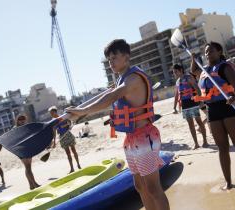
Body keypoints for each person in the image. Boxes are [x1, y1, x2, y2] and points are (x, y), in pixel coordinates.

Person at [65, 39, 169, 210]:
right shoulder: (122, 79)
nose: (110, 62)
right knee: (140, 186)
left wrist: (82, 112)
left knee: (153, 187)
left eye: (114, 58)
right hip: (132, 139)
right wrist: (79, 109)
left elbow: (110, 98)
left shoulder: (133, 79)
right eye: (108, 60)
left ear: (126, 57)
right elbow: (105, 97)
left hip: (144, 136)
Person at [191, 41, 235, 190]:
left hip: (229, 107)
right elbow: (194, 70)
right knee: (222, 147)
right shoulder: (204, 70)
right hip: (212, 111)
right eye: (205, 52)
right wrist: (193, 58)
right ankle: (228, 182)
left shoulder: (224, 67)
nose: (207, 54)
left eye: (210, 51)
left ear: (219, 52)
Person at [172, 64, 209, 149]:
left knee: (199, 121)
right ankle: (196, 143)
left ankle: (205, 141)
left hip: (192, 102)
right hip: (185, 105)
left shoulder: (188, 77)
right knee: (190, 124)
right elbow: (176, 95)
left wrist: (200, 101)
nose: (175, 74)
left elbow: (197, 89)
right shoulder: (178, 82)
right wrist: (174, 107)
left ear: (181, 70)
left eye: (176, 72)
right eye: (174, 72)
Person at [49, 106, 81, 173]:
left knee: (73, 150)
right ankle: (72, 168)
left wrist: (65, 125)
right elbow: (54, 132)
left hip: (68, 134)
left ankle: (78, 164)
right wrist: (54, 142)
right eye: (50, 113)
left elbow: (69, 123)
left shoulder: (62, 117)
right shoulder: (53, 121)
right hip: (62, 137)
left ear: (55, 112)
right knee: (68, 154)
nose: (51, 114)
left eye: (51, 113)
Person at [14, 114, 40, 190]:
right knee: (28, 167)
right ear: (17, 121)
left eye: (23, 119)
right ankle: (34, 183)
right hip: (21, 150)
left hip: (28, 148)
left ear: (25, 120)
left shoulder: (27, 127)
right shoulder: (15, 129)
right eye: (20, 119)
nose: (22, 121)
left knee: (28, 167)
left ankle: (31, 185)